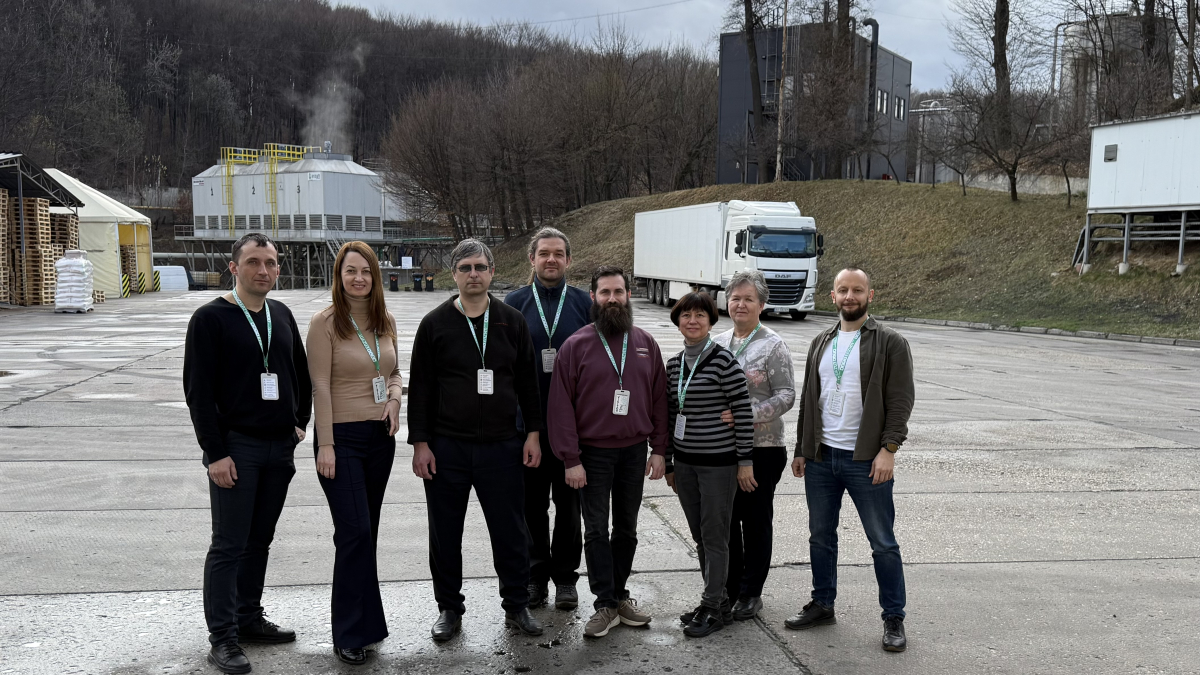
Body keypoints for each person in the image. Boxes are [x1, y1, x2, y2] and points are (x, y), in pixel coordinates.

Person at [183, 233, 311, 675]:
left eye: (271, 263)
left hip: (280, 447)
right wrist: (214, 453)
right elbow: (198, 394)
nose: (264, 271)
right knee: (229, 545)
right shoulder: (211, 318)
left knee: (260, 541)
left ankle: (248, 617)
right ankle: (223, 638)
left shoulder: (281, 314)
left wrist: (300, 422)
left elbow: (301, 373)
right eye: (254, 262)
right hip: (237, 448)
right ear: (234, 267)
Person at [408, 238, 545, 642]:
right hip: (447, 446)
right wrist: (420, 443)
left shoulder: (511, 321)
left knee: (510, 532)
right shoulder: (435, 324)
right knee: (445, 533)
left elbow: (528, 384)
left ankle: (516, 606)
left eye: (480, 267)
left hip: (503, 445)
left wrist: (533, 434)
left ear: (492, 271)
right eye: (465, 268)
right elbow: (421, 390)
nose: (473, 274)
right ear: (454, 274)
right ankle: (449, 609)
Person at [785, 267, 915, 654]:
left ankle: (894, 617)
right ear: (832, 295)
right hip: (822, 458)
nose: (850, 296)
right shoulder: (821, 341)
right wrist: (802, 448)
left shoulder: (889, 342)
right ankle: (823, 604)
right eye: (843, 290)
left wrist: (888, 450)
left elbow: (901, 401)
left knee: (882, 543)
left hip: (866, 460)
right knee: (820, 537)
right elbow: (812, 398)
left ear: (870, 295)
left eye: (857, 290)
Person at [548, 265, 669, 639]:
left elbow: (660, 401)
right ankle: (605, 603)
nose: (612, 298)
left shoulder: (647, 343)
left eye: (618, 292)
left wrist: (659, 450)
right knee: (596, 530)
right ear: (594, 298)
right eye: (605, 293)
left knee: (627, 529)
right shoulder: (576, 346)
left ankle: (618, 597)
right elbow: (560, 406)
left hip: (634, 452)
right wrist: (571, 458)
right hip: (593, 455)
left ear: (628, 296)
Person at [306, 241, 403, 666]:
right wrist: (325, 444)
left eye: (365, 271)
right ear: (339, 276)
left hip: (379, 440)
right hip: (340, 439)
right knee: (355, 534)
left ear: (375, 276)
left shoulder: (385, 320)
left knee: (367, 535)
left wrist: (396, 401)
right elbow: (321, 386)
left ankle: (369, 626)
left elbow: (395, 372)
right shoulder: (325, 323)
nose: (358, 278)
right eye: (350, 271)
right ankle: (347, 631)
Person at [503, 228, 591, 611]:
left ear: (568, 260)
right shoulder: (514, 303)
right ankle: (536, 577)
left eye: (558, 253)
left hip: (572, 430)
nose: (551, 259)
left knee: (570, 510)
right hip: (528, 430)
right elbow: (505, 369)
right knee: (531, 509)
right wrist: (521, 428)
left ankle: (566, 579)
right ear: (532, 259)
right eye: (544, 253)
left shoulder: (584, 304)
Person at [664, 291, 754, 638]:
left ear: (711, 321)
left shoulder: (724, 361)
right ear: (678, 321)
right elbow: (671, 414)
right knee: (701, 536)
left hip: (719, 465)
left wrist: (744, 462)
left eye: (700, 315)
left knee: (716, 537)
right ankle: (718, 599)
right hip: (685, 465)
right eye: (686, 315)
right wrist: (670, 462)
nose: (693, 320)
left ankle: (712, 606)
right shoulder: (673, 365)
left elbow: (743, 413)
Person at [712, 271, 796, 621]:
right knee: (727, 521)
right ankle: (730, 587)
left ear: (762, 304)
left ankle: (751, 592)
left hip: (762, 448)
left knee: (755, 520)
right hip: (721, 448)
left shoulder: (772, 344)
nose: (740, 303)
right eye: (735, 297)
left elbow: (787, 395)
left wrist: (747, 413)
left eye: (748, 298)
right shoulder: (716, 341)